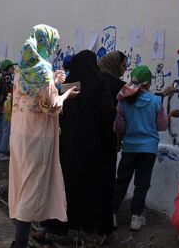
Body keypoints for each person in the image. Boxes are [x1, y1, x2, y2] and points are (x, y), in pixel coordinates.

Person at [9, 25, 79, 248]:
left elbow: (34, 97)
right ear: (46, 43)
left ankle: (19, 240)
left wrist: (54, 83)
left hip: (20, 133)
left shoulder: (22, 69)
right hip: (38, 136)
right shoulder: (43, 70)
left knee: (23, 183)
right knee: (32, 186)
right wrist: (66, 93)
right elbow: (50, 105)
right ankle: (20, 243)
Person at [113, 65, 179, 230]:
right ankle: (136, 217)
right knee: (142, 183)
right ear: (148, 83)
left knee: (121, 181)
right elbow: (161, 125)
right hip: (148, 149)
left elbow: (119, 127)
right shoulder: (155, 101)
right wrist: (169, 116)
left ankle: (112, 213)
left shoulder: (124, 101)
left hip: (129, 147)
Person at [59, 50, 117, 235]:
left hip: (72, 145)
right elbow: (108, 112)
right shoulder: (101, 82)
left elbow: (61, 114)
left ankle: (64, 225)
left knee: (70, 183)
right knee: (94, 186)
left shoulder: (68, 84)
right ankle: (93, 227)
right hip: (96, 145)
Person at [0, 59, 16, 161]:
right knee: (6, 130)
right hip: (6, 107)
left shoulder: (1, 78)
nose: (14, 69)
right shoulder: (9, 78)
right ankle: (2, 153)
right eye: (12, 67)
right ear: (8, 68)